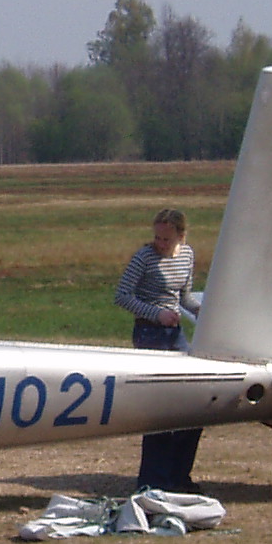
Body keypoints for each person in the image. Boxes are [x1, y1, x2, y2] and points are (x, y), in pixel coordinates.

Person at [114, 208, 203, 492]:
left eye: (166, 239)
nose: (160, 244)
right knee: (161, 411)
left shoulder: (187, 255)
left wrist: (204, 313)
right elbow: (122, 296)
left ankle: (180, 477)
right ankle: (153, 480)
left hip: (174, 334)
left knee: (193, 409)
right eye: (157, 237)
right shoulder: (144, 257)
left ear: (181, 236)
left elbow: (184, 297)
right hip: (149, 334)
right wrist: (155, 314)